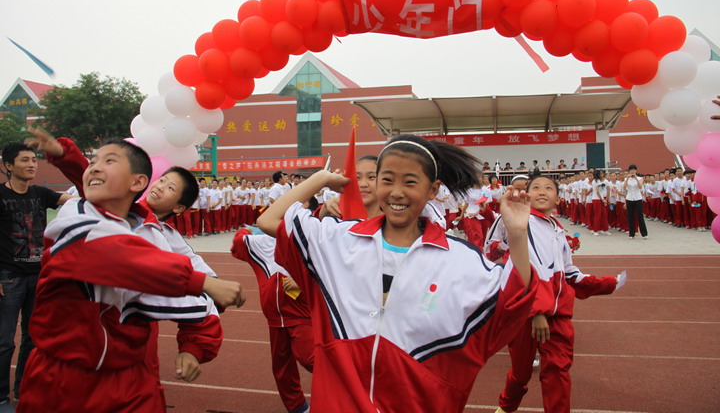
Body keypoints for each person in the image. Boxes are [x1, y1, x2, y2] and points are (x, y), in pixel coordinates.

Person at [258, 134, 538, 412]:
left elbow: (511, 301)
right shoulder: (339, 240)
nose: (396, 192)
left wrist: (516, 233)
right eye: (388, 180)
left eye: (410, 182)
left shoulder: (460, 260)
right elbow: (270, 220)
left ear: (433, 190)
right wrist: (320, 179)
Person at [16, 138, 244, 413]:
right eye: (162, 181)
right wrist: (67, 155)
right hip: (62, 370)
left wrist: (194, 347)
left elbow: (207, 299)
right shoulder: (80, 214)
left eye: (170, 187)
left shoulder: (164, 239)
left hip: (131, 369)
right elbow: (119, 253)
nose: (160, 187)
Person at [491, 175, 623, 413]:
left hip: (559, 313)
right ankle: (506, 407)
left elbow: (569, 273)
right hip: (527, 311)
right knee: (521, 373)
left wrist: (606, 284)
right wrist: (537, 311)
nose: (542, 191)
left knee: (558, 369)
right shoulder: (524, 223)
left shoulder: (558, 231)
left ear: (559, 199)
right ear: (527, 194)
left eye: (548, 188)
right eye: (536, 187)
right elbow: (525, 267)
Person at [0, 143, 74, 411]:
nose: (32, 164)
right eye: (25, 160)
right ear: (9, 166)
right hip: (8, 278)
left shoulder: (41, 194)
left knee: (33, 338)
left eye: (34, 160)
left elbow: (76, 200)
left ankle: (24, 389)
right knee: (4, 341)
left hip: (38, 276)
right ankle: (0, 397)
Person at [231, 229, 312, 413]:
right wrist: (248, 230)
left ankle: (350, 389)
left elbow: (331, 272)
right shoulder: (262, 243)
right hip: (274, 319)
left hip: (301, 315)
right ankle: (298, 407)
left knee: (310, 357)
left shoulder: (309, 239)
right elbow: (238, 243)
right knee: (282, 368)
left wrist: (303, 281)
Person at [623, 165, 647, 239]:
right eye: (631, 170)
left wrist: (636, 179)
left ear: (636, 171)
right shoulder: (626, 179)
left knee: (640, 216)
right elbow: (624, 187)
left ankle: (644, 234)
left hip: (638, 198)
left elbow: (640, 187)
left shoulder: (640, 178)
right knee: (630, 216)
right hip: (629, 198)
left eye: (634, 170)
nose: (632, 171)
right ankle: (631, 234)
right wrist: (627, 178)